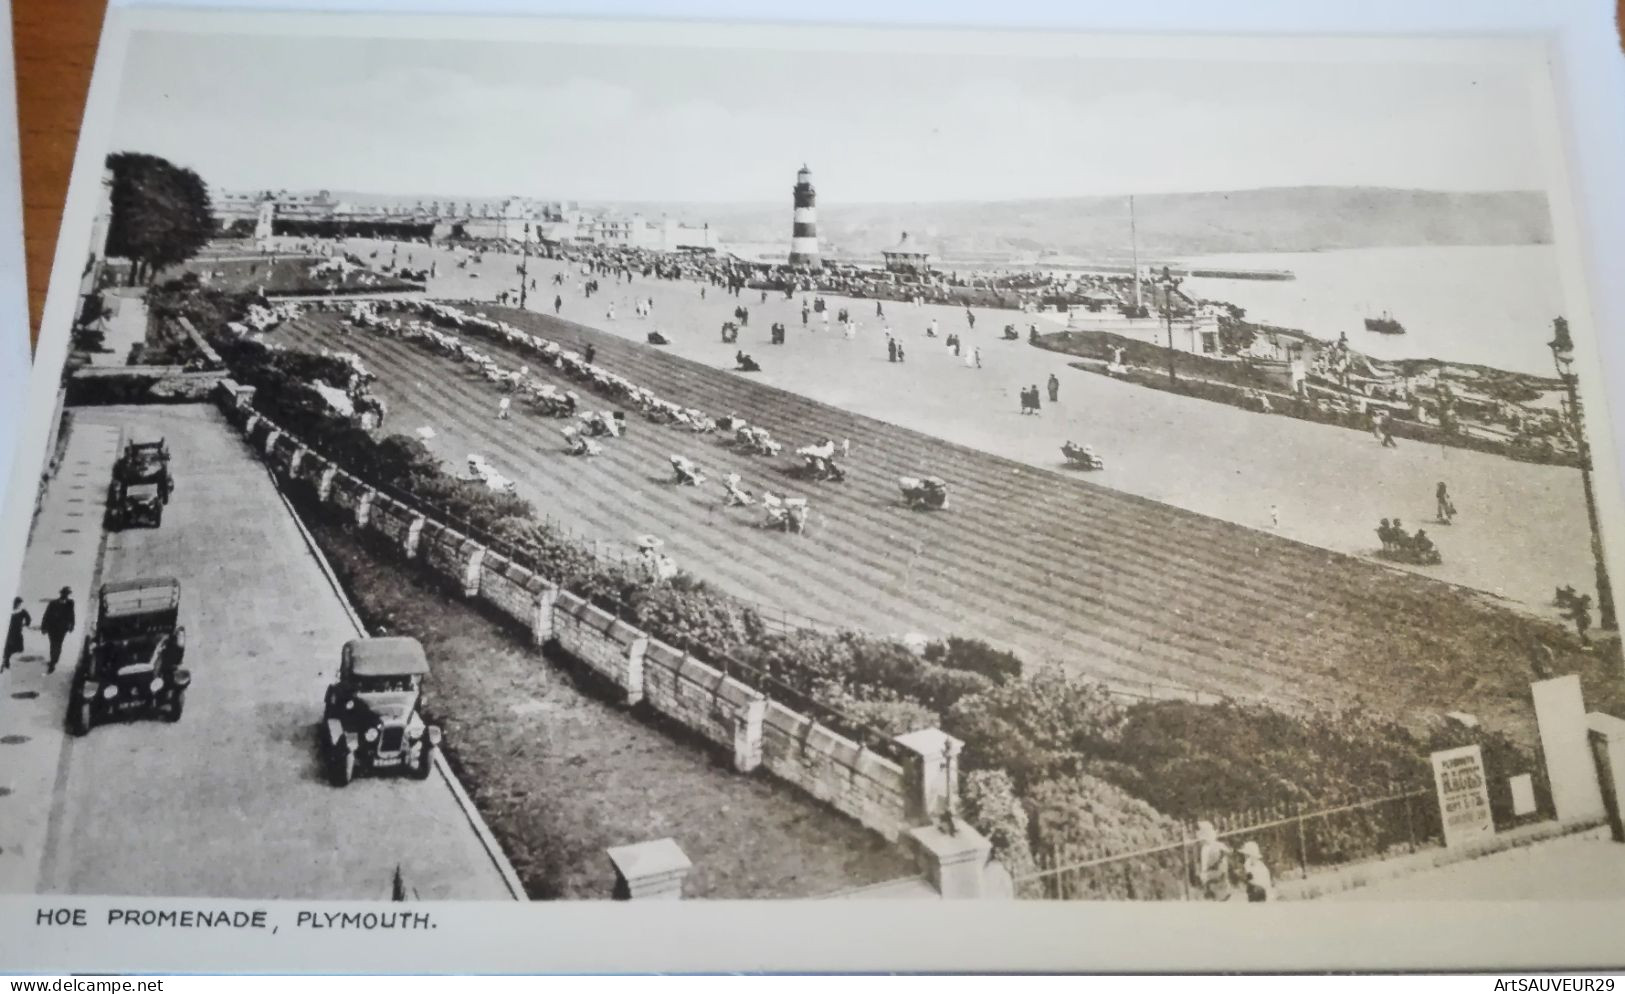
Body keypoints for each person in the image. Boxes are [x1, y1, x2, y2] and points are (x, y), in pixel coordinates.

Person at [1194, 821, 1233, 901]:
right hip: (1221, 878)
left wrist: (1204, 876)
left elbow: (1204, 869)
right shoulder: (1219, 846)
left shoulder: (1206, 849)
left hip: (1214, 880)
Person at [40, 587, 75, 673]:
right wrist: (43, 627)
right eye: (64, 594)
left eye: (67, 594)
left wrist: (72, 625)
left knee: (58, 645)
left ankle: (53, 661)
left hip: (62, 629)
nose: (65, 596)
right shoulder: (53, 603)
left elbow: (72, 615)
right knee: (53, 645)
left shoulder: (70, 603)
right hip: (52, 627)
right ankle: (53, 661)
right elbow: (46, 615)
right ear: (61, 594)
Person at [5, 597, 30, 673]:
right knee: (8, 647)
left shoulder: (22, 611)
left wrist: (25, 624)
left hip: (17, 632)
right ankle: (6, 660)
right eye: (17, 603)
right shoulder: (9, 611)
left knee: (18, 648)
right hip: (9, 632)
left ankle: (6, 658)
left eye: (19, 603)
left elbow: (28, 618)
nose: (18, 605)